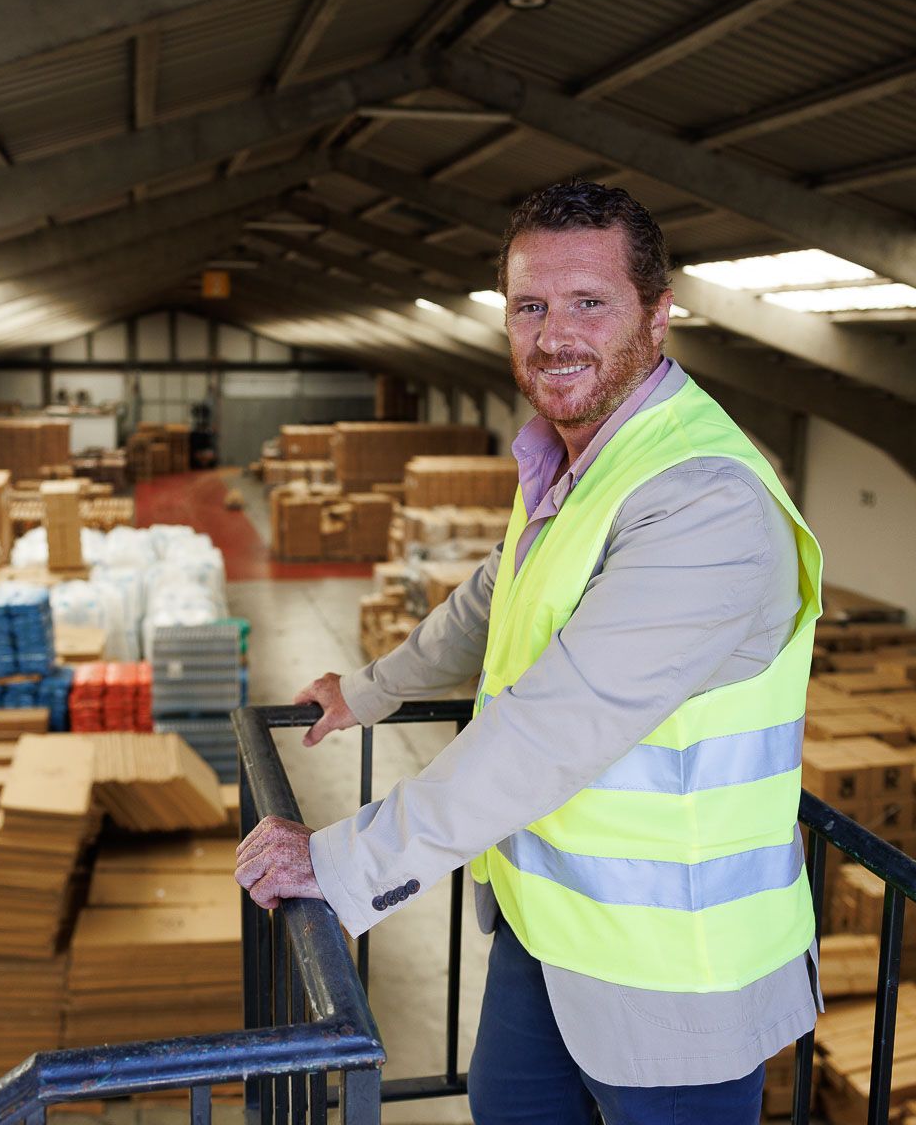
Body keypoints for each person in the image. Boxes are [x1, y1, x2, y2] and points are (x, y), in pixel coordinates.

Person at [234, 178, 824, 1125]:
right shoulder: (581, 453)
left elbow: (555, 729)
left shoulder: (706, 501)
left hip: (672, 971)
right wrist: (368, 690)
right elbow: (495, 598)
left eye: (590, 303)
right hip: (546, 924)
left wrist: (344, 865)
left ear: (658, 315)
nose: (555, 335)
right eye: (530, 307)